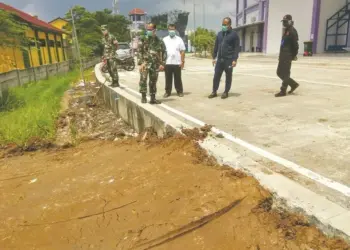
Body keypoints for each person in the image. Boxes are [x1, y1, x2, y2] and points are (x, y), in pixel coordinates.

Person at [209, 17, 240, 99]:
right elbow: (216, 46)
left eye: (225, 24)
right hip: (220, 60)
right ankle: (214, 91)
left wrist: (234, 59)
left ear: (229, 25)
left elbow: (236, 48)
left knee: (228, 76)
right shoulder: (219, 34)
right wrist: (214, 57)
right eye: (222, 24)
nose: (223, 26)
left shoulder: (234, 34)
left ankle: (226, 92)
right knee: (216, 76)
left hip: (229, 60)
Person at [137, 23, 166, 104]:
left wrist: (162, 64)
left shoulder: (159, 41)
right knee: (143, 79)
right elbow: (139, 52)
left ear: (154, 30)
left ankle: (153, 98)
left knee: (153, 81)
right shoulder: (143, 39)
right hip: (145, 64)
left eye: (150, 29)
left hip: (155, 64)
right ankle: (143, 97)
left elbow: (164, 53)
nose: (148, 31)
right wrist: (141, 63)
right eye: (147, 29)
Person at [275, 14, 299, 97]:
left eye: (285, 22)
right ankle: (293, 84)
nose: (283, 23)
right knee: (279, 73)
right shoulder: (286, 31)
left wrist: (293, 55)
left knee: (285, 74)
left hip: (288, 55)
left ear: (290, 21)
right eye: (283, 22)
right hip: (283, 55)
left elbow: (295, 45)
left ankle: (283, 91)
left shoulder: (292, 31)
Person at [162, 24, 186, 98]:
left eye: (173, 30)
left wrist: (182, 61)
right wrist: (161, 63)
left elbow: (182, 51)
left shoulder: (179, 39)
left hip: (177, 62)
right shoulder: (164, 39)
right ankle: (167, 92)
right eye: (170, 29)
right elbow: (161, 52)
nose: (171, 31)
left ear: (175, 30)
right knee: (168, 78)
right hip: (167, 62)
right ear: (168, 30)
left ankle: (179, 91)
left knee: (178, 78)